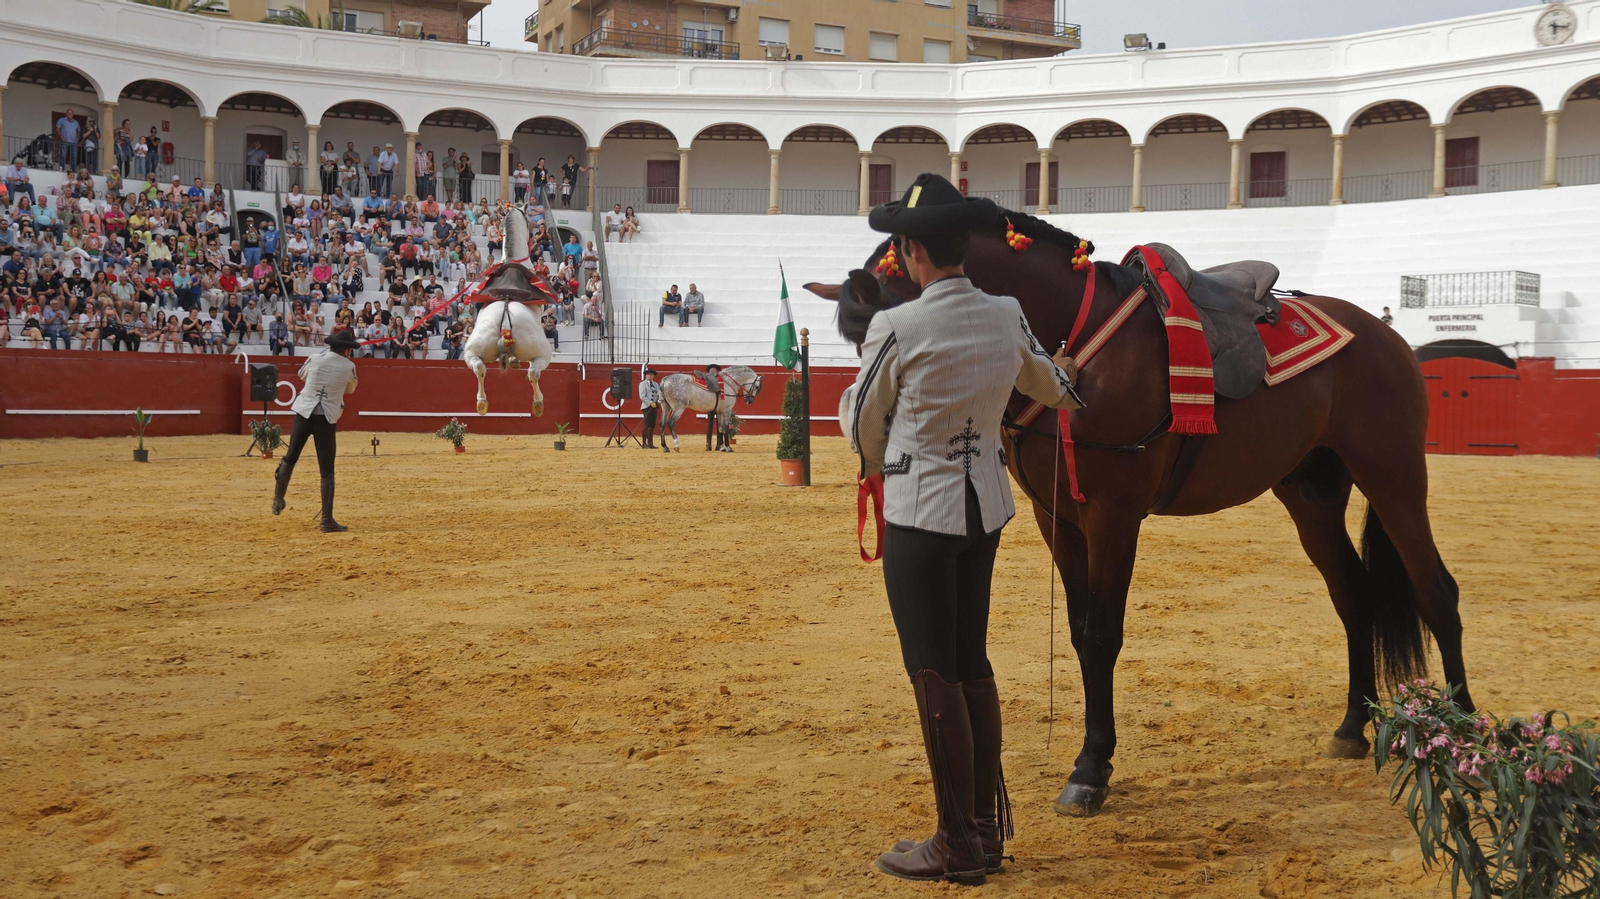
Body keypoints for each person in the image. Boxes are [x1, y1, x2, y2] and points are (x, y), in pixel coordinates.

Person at [853, 173, 1082, 886]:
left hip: (921, 511)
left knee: (933, 670)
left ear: (915, 250)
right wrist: (1066, 371)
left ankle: (956, 841)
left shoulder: (898, 324)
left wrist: (874, 455)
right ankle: (983, 827)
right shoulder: (1005, 311)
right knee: (971, 660)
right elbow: (1053, 389)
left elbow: (861, 423)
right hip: (984, 506)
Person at [272, 330, 360, 532]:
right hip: (326, 418)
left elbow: (302, 375)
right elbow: (351, 389)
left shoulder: (314, 358)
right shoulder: (349, 366)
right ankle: (326, 520)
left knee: (291, 457)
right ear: (347, 350)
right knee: (326, 469)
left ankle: (278, 499)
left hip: (304, 413)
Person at [638, 368, 662, 449]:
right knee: (646, 425)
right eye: (649, 374)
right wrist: (650, 402)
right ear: (646, 375)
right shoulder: (642, 384)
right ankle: (644, 443)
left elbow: (659, 394)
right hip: (647, 407)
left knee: (652, 425)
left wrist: (658, 401)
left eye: (652, 375)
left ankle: (650, 443)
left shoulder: (656, 384)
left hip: (655, 406)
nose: (650, 376)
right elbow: (642, 396)